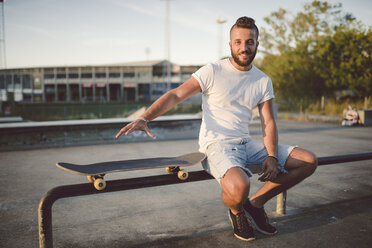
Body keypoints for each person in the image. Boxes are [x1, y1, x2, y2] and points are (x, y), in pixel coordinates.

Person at [116, 16, 318, 241]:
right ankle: (237, 211)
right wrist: (146, 117)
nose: (244, 47)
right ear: (230, 44)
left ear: (257, 44)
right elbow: (176, 95)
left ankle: (256, 204)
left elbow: (268, 121)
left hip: (246, 144)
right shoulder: (212, 71)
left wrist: (271, 155)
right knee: (241, 186)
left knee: (308, 160)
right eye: (238, 42)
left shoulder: (262, 80)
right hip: (216, 146)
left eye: (249, 42)